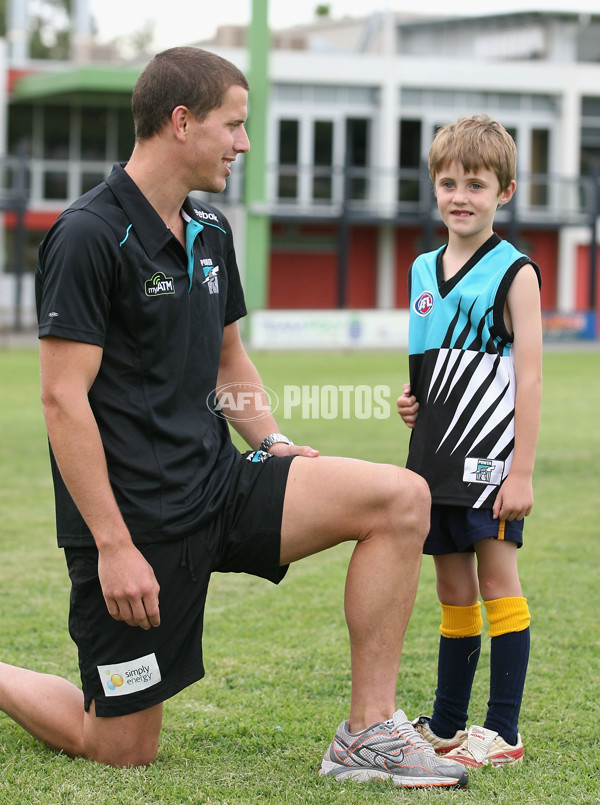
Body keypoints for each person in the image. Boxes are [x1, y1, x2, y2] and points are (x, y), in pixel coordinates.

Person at [0, 47, 468, 789]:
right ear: (181, 122)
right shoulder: (87, 234)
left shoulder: (211, 230)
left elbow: (230, 361)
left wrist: (273, 441)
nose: (244, 145)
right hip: (137, 527)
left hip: (220, 486)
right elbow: (62, 400)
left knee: (400, 497)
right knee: (121, 746)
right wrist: (114, 545)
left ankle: (369, 731)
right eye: (235, 125)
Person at [397, 114, 542, 768]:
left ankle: (503, 730)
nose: (460, 195)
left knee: (497, 581)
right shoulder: (422, 268)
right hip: (433, 461)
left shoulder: (516, 273)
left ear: (503, 192)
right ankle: (449, 725)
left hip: (490, 461)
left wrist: (523, 471)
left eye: (476, 184)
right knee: (452, 591)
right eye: (449, 182)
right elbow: (430, 362)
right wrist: (415, 405)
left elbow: (531, 378)